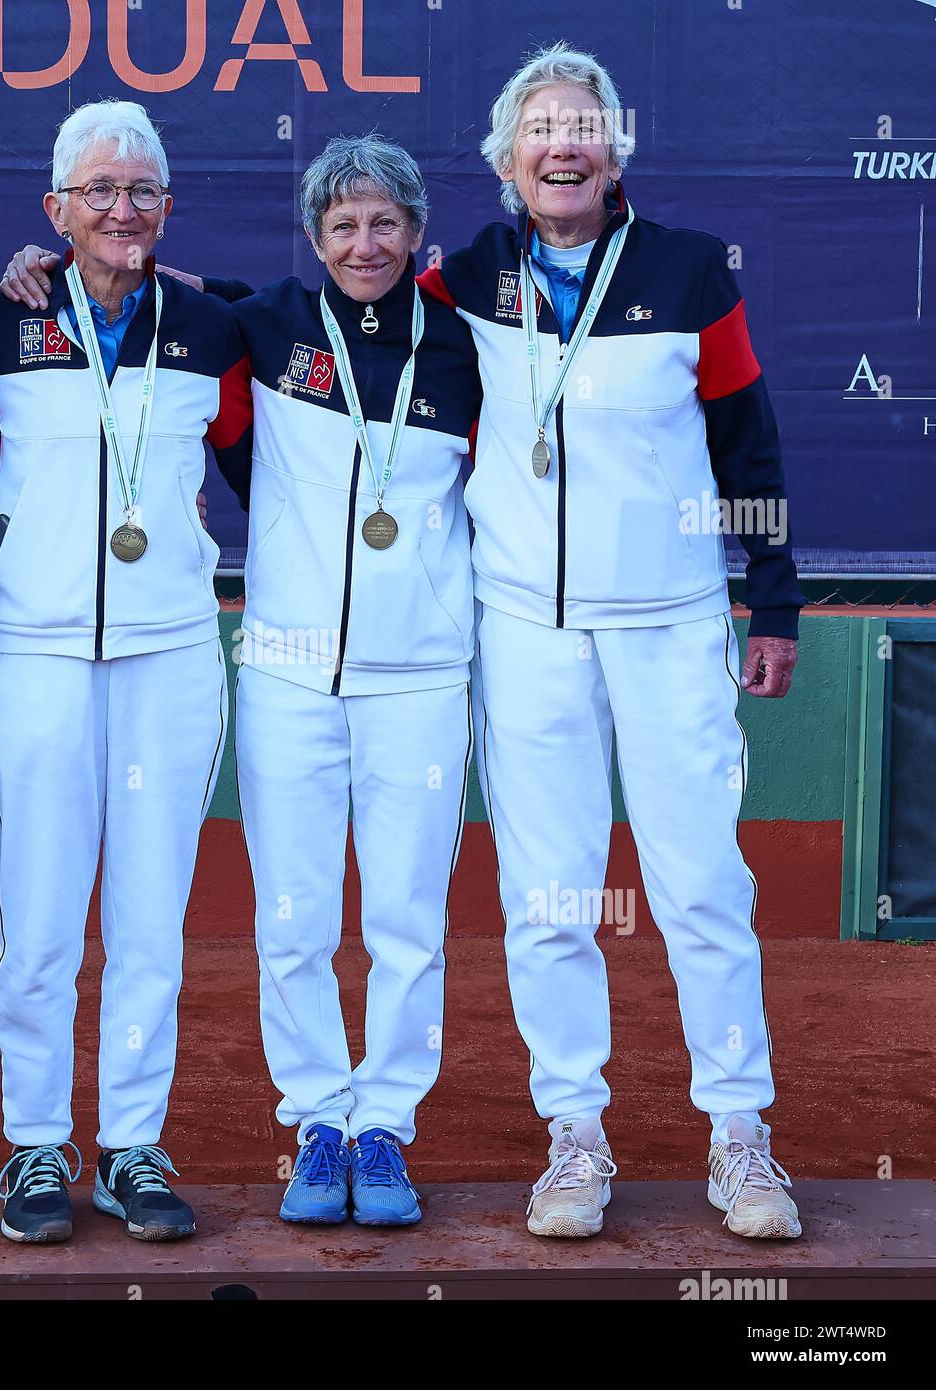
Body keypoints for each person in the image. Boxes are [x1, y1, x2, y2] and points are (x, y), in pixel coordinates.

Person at [1, 132, 481, 1228]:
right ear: (314, 239)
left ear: (416, 233)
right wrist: (43, 262)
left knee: (406, 916)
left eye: (384, 222)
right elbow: (136, 282)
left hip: (419, 673)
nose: (364, 243)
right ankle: (317, 1118)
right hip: (284, 668)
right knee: (295, 914)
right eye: (343, 224)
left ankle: (384, 1127)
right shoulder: (256, 327)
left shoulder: (467, 348)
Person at [418, 42, 805, 1238]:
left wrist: (775, 596)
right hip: (526, 631)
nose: (562, 143)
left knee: (699, 887)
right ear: (504, 158)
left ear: (616, 147)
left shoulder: (690, 272)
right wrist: (91, 269)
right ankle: (573, 1136)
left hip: (671, 627)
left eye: (583, 123)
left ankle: (740, 1136)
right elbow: (318, 310)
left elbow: (747, 441)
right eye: (540, 126)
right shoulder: (462, 279)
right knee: (550, 898)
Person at [0, 99, 252, 1245]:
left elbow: (264, 466)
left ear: (167, 206)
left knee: (149, 919)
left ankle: (132, 1142)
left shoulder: (215, 332)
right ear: (55, 210)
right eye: (98, 191)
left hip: (172, 657)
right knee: (37, 917)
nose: (121, 209)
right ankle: (36, 1144)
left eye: (141, 191)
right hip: (32, 653)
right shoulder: (0, 325)